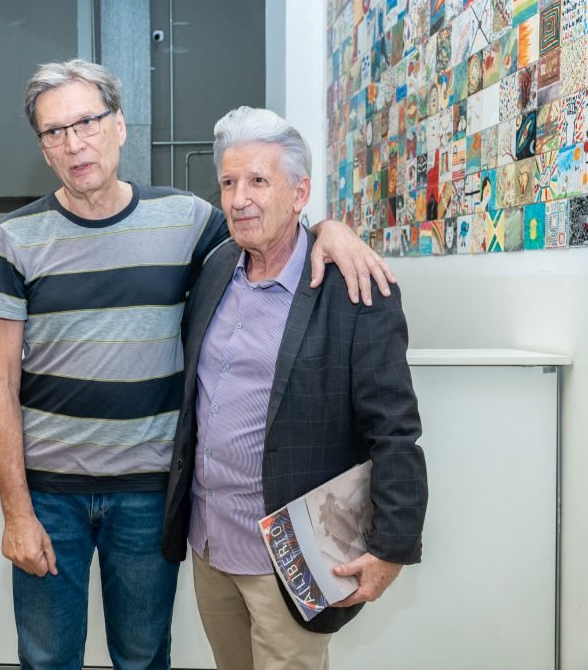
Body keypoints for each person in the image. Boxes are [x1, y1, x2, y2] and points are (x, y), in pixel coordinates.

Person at [0, 59, 396, 670]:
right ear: (42, 147)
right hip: (50, 493)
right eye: (54, 132)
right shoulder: (14, 237)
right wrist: (15, 512)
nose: (73, 143)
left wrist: (332, 228)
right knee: (44, 658)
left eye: (86, 122)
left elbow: (268, 228)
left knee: (144, 657)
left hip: (150, 494)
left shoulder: (187, 220)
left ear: (119, 125)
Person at [161, 107, 428, 670]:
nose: (238, 198)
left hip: (293, 560)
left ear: (300, 191)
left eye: (259, 180)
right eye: (229, 183)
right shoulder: (214, 270)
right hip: (210, 547)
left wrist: (391, 547)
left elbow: (395, 430)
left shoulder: (354, 289)